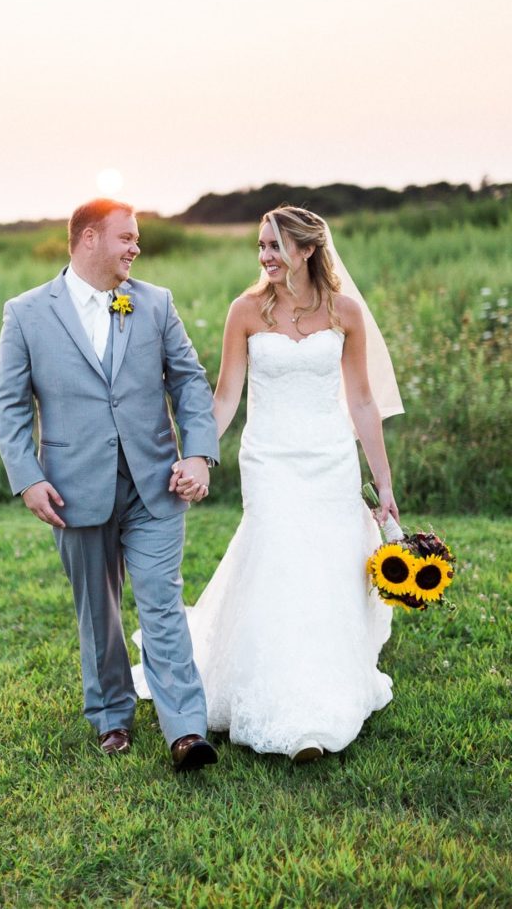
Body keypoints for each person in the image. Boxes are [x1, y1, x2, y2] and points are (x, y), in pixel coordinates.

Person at [139, 204, 403, 762]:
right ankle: (279, 701)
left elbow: (361, 401)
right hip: (270, 460)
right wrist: (197, 457)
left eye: (275, 246)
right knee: (279, 561)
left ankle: (323, 694)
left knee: (326, 570)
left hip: (330, 459)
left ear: (306, 250)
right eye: (261, 246)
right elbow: (225, 397)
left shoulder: (345, 313)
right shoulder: (246, 311)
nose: (265, 256)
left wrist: (383, 484)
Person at [0, 198, 220, 771]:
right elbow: (9, 405)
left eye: (136, 238)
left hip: (155, 483)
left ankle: (186, 730)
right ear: (89, 239)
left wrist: (198, 455)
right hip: (72, 489)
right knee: (99, 610)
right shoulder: (26, 313)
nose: (136, 248)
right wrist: (28, 478)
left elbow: (190, 383)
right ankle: (112, 716)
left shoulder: (155, 303)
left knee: (162, 603)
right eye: (127, 238)